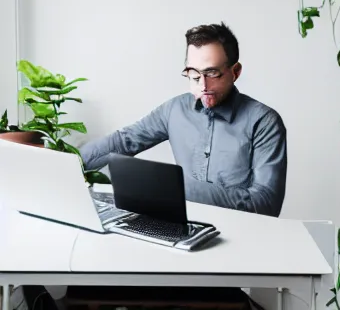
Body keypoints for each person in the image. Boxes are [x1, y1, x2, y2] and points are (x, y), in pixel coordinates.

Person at [79, 22, 287, 217]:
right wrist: (66, 160)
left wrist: (178, 189)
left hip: (242, 236)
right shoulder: (174, 109)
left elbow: (266, 203)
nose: (202, 85)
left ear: (235, 72)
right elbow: (123, 141)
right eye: (194, 74)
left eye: (212, 73)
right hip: (183, 226)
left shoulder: (265, 122)